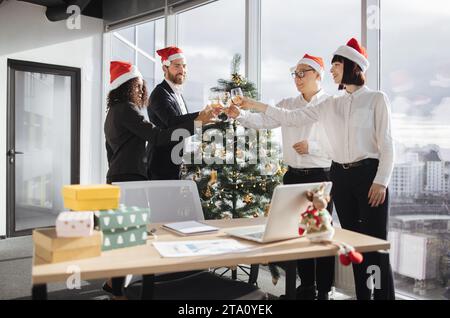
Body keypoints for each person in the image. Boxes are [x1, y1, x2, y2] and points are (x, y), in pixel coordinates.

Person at [234, 38, 395, 300]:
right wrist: (254, 105)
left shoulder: (377, 99)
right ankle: (364, 297)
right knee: (353, 242)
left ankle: (381, 297)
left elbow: (387, 143)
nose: (332, 71)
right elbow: (291, 117)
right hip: (340, 177)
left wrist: (381, 181)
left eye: (336, 65)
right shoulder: (333, 103)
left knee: (375, 246)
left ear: (353, 65)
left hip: (368, 175)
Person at [226, 54, 335, 300]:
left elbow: (338, 144)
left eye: (303, 73)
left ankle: (325, 291)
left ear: (319, 75)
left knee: (321, 237)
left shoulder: (330, 103)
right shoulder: (288, 103)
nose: (297, 78)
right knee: (298, 234)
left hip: (320, 177)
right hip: (293, 176)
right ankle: (306, 288)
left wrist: (313, 147)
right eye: (294, 74)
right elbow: (264, 121)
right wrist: (239, 115)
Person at [104, 60, 214, 299]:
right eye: (140, 85)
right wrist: (197, 123)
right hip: (130, 180)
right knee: (132, 236)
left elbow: (110, 151)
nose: (143, 90)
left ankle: (113, 283)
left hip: (116, 176)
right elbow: (158, 137)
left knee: (122, 235)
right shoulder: (127, 110)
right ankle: (120, 288)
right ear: (129, 86)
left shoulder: (112, 113)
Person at [146, 46, 198, 180]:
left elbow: (183, 125)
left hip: (176, 164)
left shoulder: (177, 94)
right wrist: (202, 116)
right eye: (177, 66)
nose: (182, 70)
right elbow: (173, 122)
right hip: (161, 166)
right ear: (165, 68)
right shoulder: (160, 94)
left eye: (184, 66)